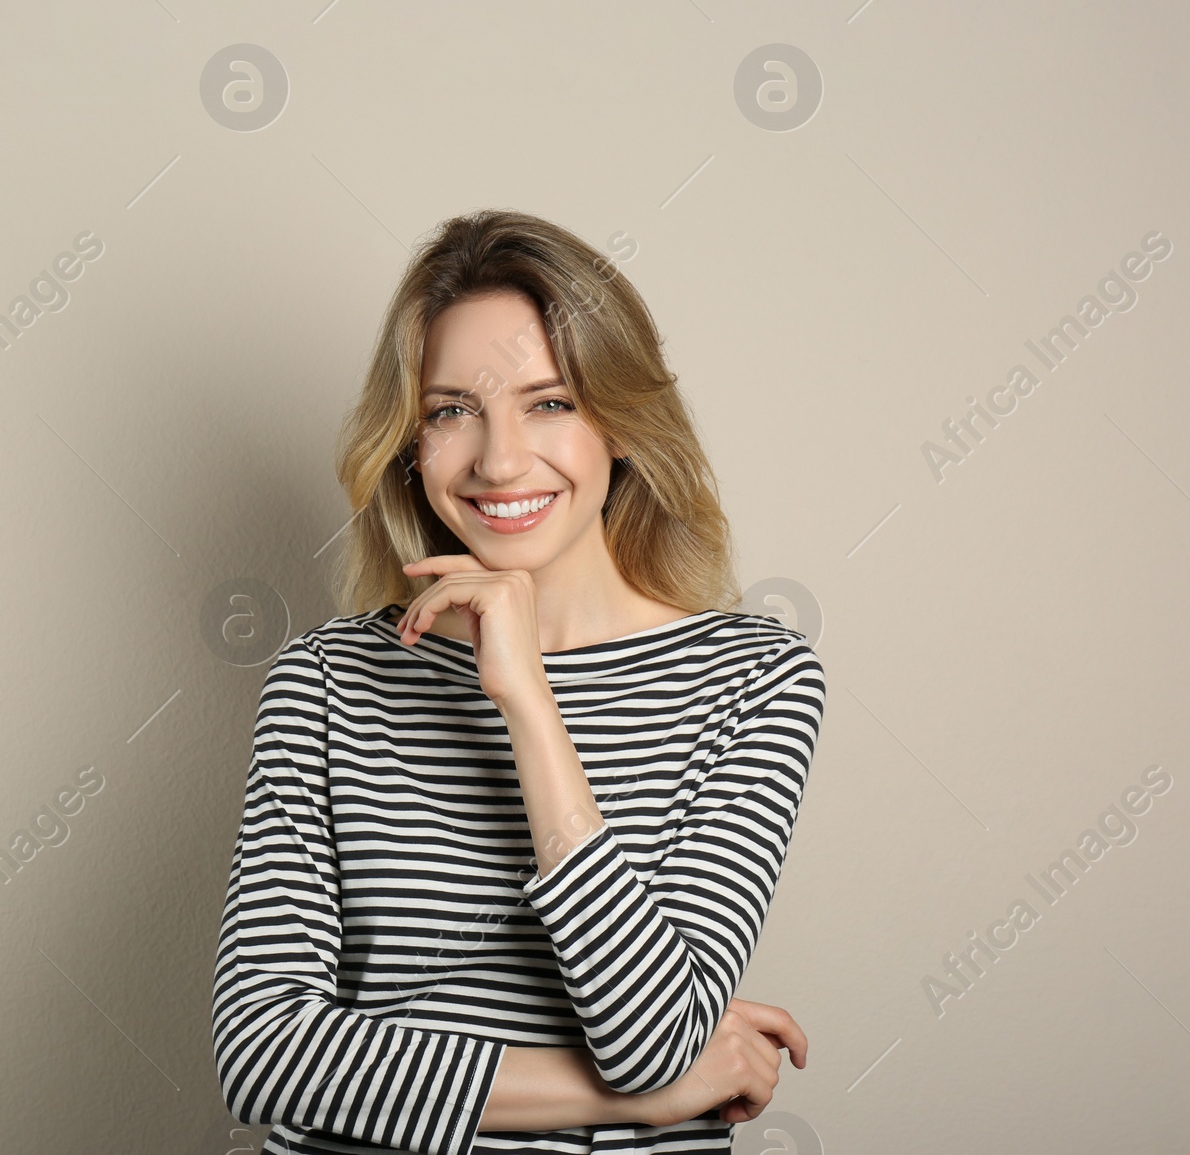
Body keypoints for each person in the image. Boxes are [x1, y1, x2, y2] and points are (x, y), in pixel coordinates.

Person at [212, 209, 826, 1155]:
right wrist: (638, 1104)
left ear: (621, 423)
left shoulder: (754, 679)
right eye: (451, 409)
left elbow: (653, 1041)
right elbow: (265, 1055)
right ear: (411, 446)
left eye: (550, 402)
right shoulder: (326, 681)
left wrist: (530, 705)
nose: (499, 460)